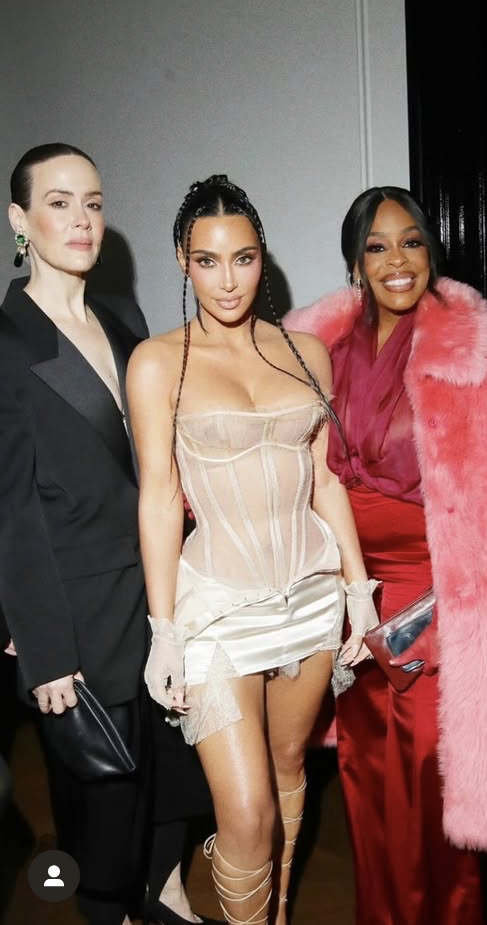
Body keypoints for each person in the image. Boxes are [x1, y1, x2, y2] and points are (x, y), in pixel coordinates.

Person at [126, 173, 377, 925]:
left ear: (261, 256)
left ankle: (278, 914)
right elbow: (159, 498)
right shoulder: (156, 362)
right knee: (244, 815)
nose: (228, 279)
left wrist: (358, 590)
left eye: (242, 258)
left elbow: (325, 482)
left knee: (291, 764)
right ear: (183, 261)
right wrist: (163, 630)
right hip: (217, 610)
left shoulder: (306, 352)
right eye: (207, 261)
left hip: (310, 597)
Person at [284, 186, 487, 925]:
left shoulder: (479, 347)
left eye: (412, 241)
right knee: (366, 774)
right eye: (377, 246)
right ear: (354, 263)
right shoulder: (316, 350)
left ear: (432, 250)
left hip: (438, 596)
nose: (398, 260)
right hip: (348, 596)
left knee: (435, 772)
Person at [0, 144, 220, 925]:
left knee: (172, 772)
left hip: (157, 589)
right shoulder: (8, 342)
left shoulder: (123, 323)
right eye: (58, 203)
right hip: (79, 610)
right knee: (105, 798)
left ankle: (163, 893)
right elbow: (11, 508)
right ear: (20, 220)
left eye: (92, 203)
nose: (81, 220)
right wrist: (43, 647)